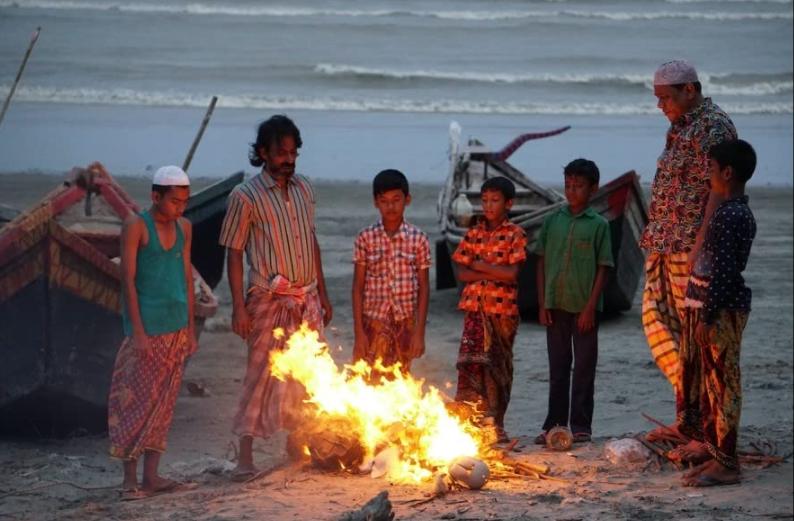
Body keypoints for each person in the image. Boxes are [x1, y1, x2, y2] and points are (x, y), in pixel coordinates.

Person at [218, 114, 333, 480]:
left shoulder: (305, 190)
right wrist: (238, 306)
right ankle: (245, 457)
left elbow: (311, 240)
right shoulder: (245, 196)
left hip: (308, 298)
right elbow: (234, 252)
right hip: (267, 299)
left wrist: (324, 294)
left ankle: (298, 444)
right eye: (280, 151)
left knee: (307, 375)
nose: (288, 158)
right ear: (263, 153)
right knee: (260, 375)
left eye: (293, 151)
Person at [641, 60, 738, 440]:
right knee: (658, 323)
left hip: (689, 245)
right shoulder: (679, 126)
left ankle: (700, 425)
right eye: (658, 98)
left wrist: (701, 243)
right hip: (663, 244)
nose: (661, 105)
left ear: (690, 90)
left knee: (696, 337)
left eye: (666, 97)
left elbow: (720, 188)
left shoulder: (714, 126)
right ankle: (690, 416)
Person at [107, 165, 196, 499]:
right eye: (174, 201)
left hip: (176, 328)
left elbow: (186, 278)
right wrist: (138, 333)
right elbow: (127, 280)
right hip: (147, 329)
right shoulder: (136, 227)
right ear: (155, 196)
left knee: (164, 405)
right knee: (135, 403)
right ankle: (129, 480)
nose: (180, 208)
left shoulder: (185, 227)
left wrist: (190, 328)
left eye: (184, 202)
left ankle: (152, 477)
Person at [673, 139, 757, 487]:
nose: (707, 175)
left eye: (711, 168)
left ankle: (727, 464)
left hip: (721, 310)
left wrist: (707, 317)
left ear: (727, 172)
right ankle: (714, 452)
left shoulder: (733, 215)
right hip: (713, 306)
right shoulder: (729, 212)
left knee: (723, 387)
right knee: (711, 385)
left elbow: (725, 274)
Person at [533, 159, 613, 445]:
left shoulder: (599, 225)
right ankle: (554, 424)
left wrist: (591, 306)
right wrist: (542, 303)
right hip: (555, 305)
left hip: (584, 309)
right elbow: (541, 262)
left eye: (578, 186)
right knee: (558, 368)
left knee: (583, 369)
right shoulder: (553, 221)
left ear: (593, 188)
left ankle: (581, 426)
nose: (572, 191)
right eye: (568, 185)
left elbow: (604, 267)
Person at [451, 177, 527, 443]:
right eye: (484, 200)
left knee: (497, 368)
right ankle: (471, 422)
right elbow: (461, 272)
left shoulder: (515, 234)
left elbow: (513, 274)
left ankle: (496, 423)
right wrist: (493, 270)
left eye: (494, 200)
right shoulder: (474, 233)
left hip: (502, 312)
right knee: (471, 365)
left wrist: (480, 266)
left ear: (508, 203)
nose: (488, 206)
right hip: (475, 308)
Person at [352, 169, 431, 373]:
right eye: (384, 200)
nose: (391, 206)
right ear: (376, 202)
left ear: (407, 200)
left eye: (396, 199)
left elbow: (424, 288)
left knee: (400, 380)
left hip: (405, 323)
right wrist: (359, 334)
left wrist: (419, 333)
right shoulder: (365, 237)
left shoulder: (418, 239)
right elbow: (357, 288)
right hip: (373, 322)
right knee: (368, 378)